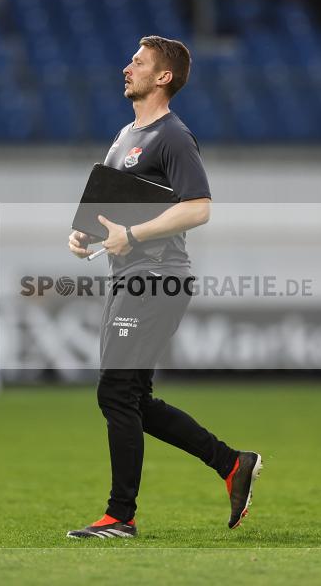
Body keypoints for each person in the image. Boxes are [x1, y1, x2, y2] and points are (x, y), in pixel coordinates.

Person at [66, 36, 261, 538]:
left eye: (139, 61)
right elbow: (114, 205)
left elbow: (199, 207)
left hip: (157, 277)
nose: (126, 67)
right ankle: (231, 463)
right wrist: (85, 233)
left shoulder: (173, 135)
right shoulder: (125, 135)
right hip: (129, 276)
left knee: (114, 393)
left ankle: (120, 517)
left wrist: (130, 235)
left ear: (163, 77)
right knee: (133, 397)